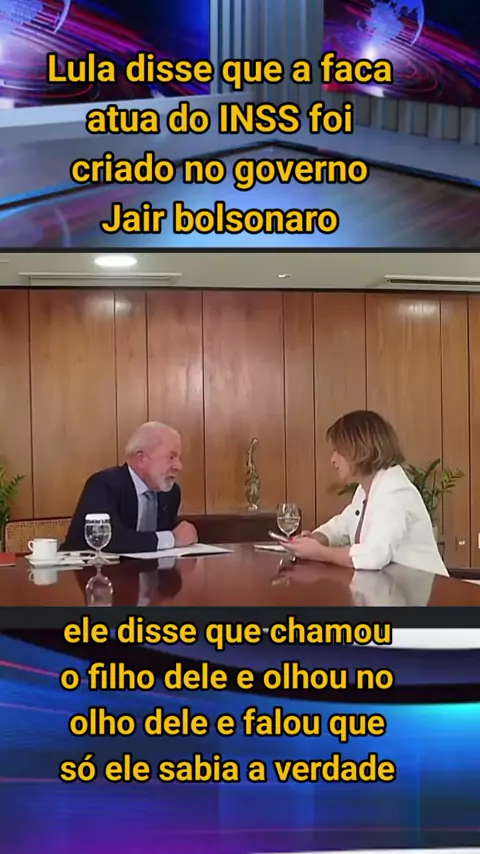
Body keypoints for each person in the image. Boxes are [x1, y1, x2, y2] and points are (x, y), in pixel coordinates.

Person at [283, 410, 448, 576]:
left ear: (360, 450)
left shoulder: (394, 492)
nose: (333, 459)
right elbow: (340, 526)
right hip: (396, 585)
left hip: (428, 589)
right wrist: (315, 538)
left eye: (338, 451)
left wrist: (319, 552)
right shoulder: (365, 488)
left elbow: (373, 556)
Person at [63, 422, 197, 554]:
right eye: (171, 457)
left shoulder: (171, 493)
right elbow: (108, 539)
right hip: (84, 566)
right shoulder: (103, 485)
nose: (179, 466)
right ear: (141, 459)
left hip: (148, 567)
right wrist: (172, 539)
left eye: (179, 458)